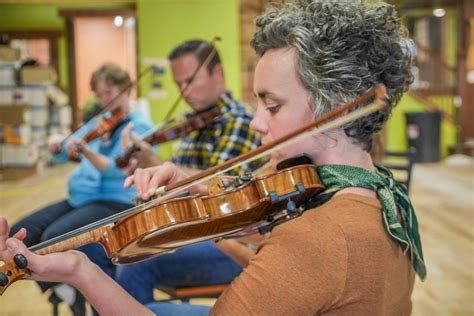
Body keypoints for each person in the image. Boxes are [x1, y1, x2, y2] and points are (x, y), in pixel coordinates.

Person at [1, 1, 426, 315]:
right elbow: (256, 223)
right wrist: (198, 193)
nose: (257, 123)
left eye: (272, 106)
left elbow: (298, 258)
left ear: (337, 106)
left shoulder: (319, 239)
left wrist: (80, 270)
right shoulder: (373, 190)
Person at [80, 39, 262, 307]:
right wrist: (147, 167)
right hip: (187, 229)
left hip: (228, 240)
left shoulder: (239, 121)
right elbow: (175, 179)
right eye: (178, 84)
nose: (184, 91)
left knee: (136, 260)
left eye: (191, 80)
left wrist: (158, 163)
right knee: (97, 246)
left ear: (218, 73)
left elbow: (224, 189)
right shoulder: (191, 123)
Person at [8, 63, 153, 313]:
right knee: (19, 233)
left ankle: (71, 287)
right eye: (99, 94)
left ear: (126, 90)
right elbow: (67, 153)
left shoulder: (139, 126)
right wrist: (58, 147)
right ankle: (67, 289)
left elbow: (116, 169)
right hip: (82, 197)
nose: (104, 99)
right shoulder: (99, 123)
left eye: (109, 92)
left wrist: (85, 151)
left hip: (115, 200)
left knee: (51, 239)